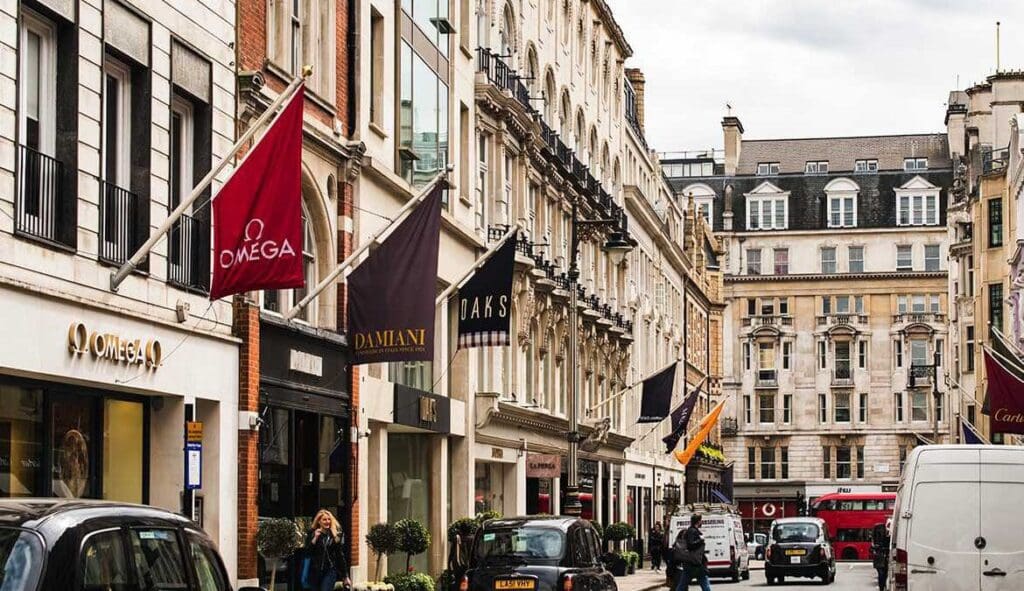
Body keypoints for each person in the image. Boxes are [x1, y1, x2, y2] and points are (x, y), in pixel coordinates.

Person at [305, 509, 351, 591]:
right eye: (324, 519)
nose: (327, 521)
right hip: (314, 571)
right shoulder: (312, 533)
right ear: (319, 521)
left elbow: (340, 555)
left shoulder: (335, 535)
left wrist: (345, 576)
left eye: (329, 519)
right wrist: (315, 538)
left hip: (330, 571)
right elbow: (308, 552)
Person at [673, 514, 711, 591]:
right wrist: (701, 540)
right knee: (704, 584)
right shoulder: (692, 531)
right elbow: (691, 545)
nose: (701, 522)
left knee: (682, 585)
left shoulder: (692, 530)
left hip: (692, 562)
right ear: (698, 521)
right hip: (694, 562)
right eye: (701, 520)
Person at [871, 521, 891, 590]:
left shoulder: (874, 538)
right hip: (883, 557)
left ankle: (881, 587)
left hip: (878, 557)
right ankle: (883, 586)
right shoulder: (886, 537)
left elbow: (872, 547)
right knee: (884, 573)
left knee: (881, 573)